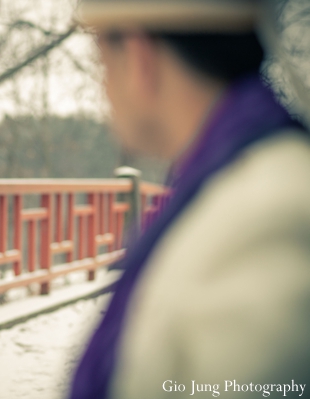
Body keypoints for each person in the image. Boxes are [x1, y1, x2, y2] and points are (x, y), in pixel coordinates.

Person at [70, 1, 310, 398]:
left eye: (102, 65)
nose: (104, 89)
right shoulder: (237, 181)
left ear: (139, 56)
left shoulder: (267, 219)